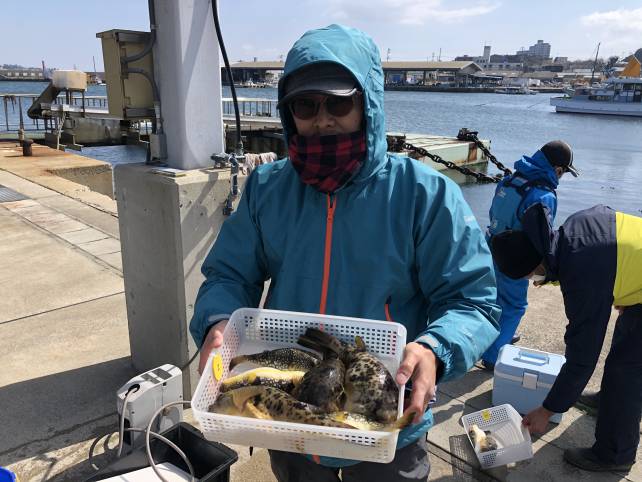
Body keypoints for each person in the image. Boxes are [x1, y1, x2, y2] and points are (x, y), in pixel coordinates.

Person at [190, 24, 500, 481]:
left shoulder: (426, 195)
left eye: (338, 103)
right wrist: (218, 321)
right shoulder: (266, 188)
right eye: (305, 106)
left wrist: (436, 349)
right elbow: (229, 275)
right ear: (288, 112)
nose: (322, 120)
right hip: (292, 421)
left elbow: (473, 300)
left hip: (389, 426)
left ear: (367, 103)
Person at [490, 203, 642, 472]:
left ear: (534, 264)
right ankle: (609, 400)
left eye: (528, 276)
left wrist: (547, 410)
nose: (532, 280)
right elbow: (613, 245)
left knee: (627, 372)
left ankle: (615, 455)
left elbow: (583, 356)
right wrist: (629, 288)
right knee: (626, 343)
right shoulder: (570, 232)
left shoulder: (581, 272)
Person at [480, 140, 578, 370]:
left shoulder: (509, 180)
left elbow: (494, 212)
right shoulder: (544, 195)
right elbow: (542, 239)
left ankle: (496, 337)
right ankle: (493, 356)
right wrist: (547, 270)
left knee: (494, 300)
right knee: (514, 305)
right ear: (558, 170)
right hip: (514, 258)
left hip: (491, 246)